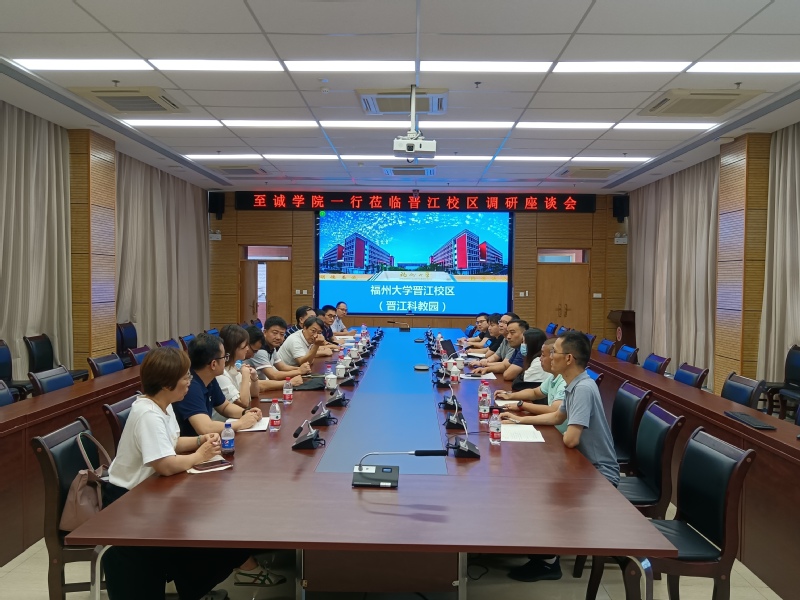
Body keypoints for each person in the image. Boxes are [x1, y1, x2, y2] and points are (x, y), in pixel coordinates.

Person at [101, 347, 279, 600]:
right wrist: (199, 456)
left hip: (152, 491)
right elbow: (164, 465)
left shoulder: (163, 405)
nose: (189, 381)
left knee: (215, 521)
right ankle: (197, 585)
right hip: (130, 501)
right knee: (206, 528)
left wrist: (199, 441)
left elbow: (172, 443)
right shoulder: (147, 414)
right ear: (166, 384)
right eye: (185, 376)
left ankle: (198, 588)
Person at [502, 331, 619, 583]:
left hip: (598, 473)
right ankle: (535, 547)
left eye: (554, 352)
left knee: (542, 489)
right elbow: (557, 417)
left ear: (568, 358)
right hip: (582, 464)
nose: (549, 356)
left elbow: (571, 439)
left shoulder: (583, 388)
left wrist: (561, 433)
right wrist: (519, 420)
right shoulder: (573, 383)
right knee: (531, 478)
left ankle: (548, 561)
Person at [173, 333, 262, 437]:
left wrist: (246, 413)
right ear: (213, 364)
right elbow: (205, 428)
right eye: (224, 357)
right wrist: (241, 423)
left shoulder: (209, 379)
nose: (226, 360)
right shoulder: (190, 387)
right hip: (191, 444)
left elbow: (225, 407)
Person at [496, 337, 567, 432]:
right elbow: (535, 393)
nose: (540, 359)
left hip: (558, 433)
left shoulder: (564, 382)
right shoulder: (554, 376)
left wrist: (522, 405)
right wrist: (509, 395)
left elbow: (554, 410)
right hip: (551, 427)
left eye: (543, 355)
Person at [243, 323, 306, 392]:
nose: (278, 337)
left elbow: (282, 367)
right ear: (265, 332)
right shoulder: (260, 351)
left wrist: (300, 370)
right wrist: (291, 380)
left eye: (282, 334)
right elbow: (272, 376)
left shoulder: (271, 348)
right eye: (275, 333)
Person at [216, 324, 259, 412]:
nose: (247, 349)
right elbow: (244, 403)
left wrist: (254, 378)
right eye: (245, 345)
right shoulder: (220, 374)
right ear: (234, 347)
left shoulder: (234, 367)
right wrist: (245, 376)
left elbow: (254, 394)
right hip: (226, 420)